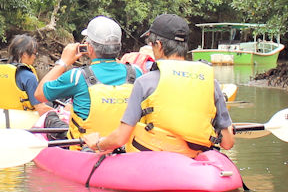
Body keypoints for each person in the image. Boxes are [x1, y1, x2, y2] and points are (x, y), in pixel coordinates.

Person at [82, 13, 234, 156]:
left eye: (152, 45)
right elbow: (228, 142)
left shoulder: (145, 82)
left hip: (155, 163)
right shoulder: (210, 82)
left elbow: (120, 138)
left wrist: (98, 144)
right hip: (195, 159)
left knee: (88, 151)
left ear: (159, 45)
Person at [36, 15, 138, 143]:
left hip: (85, 146)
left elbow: (39, 95)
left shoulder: (76, 76)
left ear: (89, 48)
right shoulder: (136, 72)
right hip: (125, 145)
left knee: (50, 116)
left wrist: (63, 62)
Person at [0, 33, 41, 111]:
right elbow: (39, 108)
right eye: (35, 54)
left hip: (5, 115)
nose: (35, 57)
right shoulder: (29, 76)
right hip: (23, 117)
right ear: (24, 54)